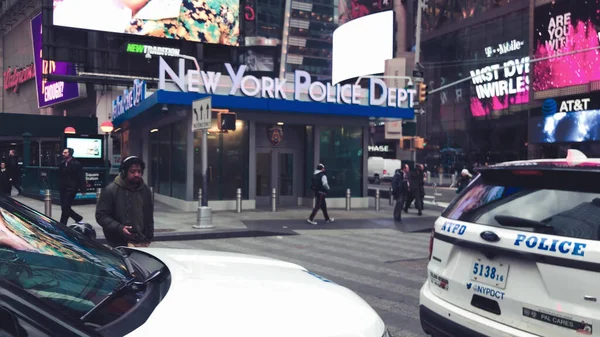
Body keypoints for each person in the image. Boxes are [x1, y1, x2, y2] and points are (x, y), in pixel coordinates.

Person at [96, 156, 154, 247]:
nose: (136, 174)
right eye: (132, 171)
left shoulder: (145, 190)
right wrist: (120, 228)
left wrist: (149, 236)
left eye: (139, 171)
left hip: (141, 241)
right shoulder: (111, 190)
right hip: (119, 242)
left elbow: (149, 214)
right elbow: (101, 215)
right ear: (123, 172)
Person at [58, 148, 86, 225]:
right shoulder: (62, 163)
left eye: (65, 153)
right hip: (63, 187)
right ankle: (77, 217)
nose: (63, 154)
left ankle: (63, 223)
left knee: (66, 206)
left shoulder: (76, 164)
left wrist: (83, 189)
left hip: (72, 188)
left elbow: (81, 177)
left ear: (70, 154)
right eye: (63, 152)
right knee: (64, 207)